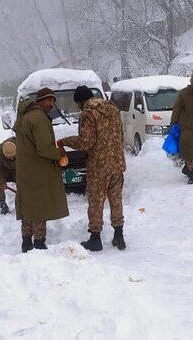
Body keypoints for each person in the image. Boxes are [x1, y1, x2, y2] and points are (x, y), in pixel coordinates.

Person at [59, 85, 127, 252]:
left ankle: (95, 239)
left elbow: (86, 141)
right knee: (116, 200)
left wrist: (65, 141)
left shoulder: (88, 113)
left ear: (81, 101)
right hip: (117, 163)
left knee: (96, 202)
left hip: (98, 167)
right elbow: (121, 136)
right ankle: (119, 236)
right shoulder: (112, 109)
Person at [12, 87, 69, 252]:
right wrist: (60, 153)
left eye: (53, 100)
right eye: (48, 100)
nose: (51, 103)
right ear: (39, 101)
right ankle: (39, 242)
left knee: (28, 205)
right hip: (39, 168)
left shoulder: (25, 116)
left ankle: (26, 241)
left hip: (25, 168)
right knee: (40, 206)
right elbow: (44, 148)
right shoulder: (40, 118)